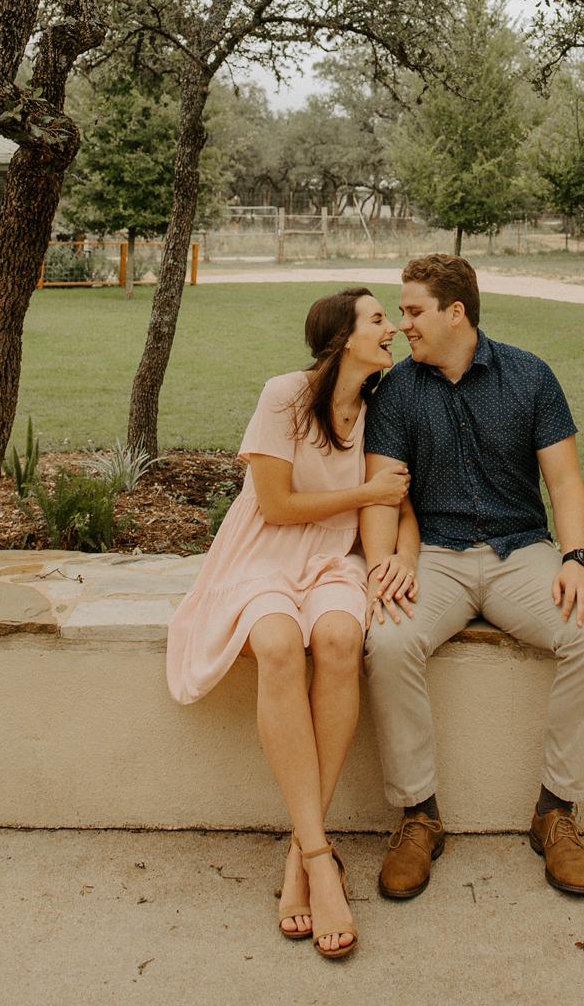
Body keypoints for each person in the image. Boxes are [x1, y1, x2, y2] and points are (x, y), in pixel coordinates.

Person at [165, 285, 416, 959]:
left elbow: (400, 502)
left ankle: (302, 853)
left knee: (338, 638)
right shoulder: (284, 396)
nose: (391, 329)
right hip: (263, 555)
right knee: (278, 644)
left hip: (334, 558)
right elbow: (275, 506)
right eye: (377, 320)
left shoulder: (381, 409)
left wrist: (401, 559)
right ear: (342, 338)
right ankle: (320, 859)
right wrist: (364, 492)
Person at [361, 252, 584, 903]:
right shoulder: (397, 391)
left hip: (520, 552)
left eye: (413, 311)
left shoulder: (530, 376)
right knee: (387, 641)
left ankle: (556, 812)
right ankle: (419, 816)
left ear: (456, 313)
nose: (403, 324)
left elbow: (565, 482)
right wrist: (388, 560)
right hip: (436, 556)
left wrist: (576, 558)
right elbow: (384, 492)